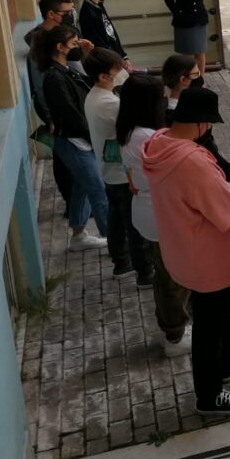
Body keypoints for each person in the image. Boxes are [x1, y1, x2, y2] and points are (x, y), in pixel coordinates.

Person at [142, 87, 230, 417]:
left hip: (182, 248)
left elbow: (216, 186)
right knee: (209, 325)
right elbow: (227, 211)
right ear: (202, 123)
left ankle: (225, 360)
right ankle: (210, 396)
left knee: (225, 309)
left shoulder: (161, 142)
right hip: (208, 259)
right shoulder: (191, 161)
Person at [116, 74, 191, 358]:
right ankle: (175, 335)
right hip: (163, 218)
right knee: (175, 279)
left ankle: (173, 328)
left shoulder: (128, 130)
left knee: (165, 275)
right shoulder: (150, 138)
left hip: (147, 214)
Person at [36, 25, 109, 251]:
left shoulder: (66, 70)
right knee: (98, 189)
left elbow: (91, 84)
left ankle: (78, 235)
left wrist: (88, 56)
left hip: (79, 139)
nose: (78, 46)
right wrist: (93, 136)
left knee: (81, 186)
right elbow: (70, 113)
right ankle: (118, 243)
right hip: (74, 140)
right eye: (75, 43)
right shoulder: (54, 77)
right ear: (60, 47)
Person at [83, 48, 153, 284]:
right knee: (135, 226)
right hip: (123, 174)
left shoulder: (94, 96)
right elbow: (132, 128)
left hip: (109, 170)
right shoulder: (109, 104)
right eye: (118, 71)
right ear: (104, 76)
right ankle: (144, 272)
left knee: (116, 218)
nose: (124, 73)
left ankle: (121, 262)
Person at [26, 0, 91, 213]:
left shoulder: (61, 35)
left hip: (72, 101)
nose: (71, 15)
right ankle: (70, 203)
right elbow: (40, 82)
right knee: (65, 158)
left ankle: (79, 205)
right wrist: (50, 117)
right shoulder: (41, 41)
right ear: (52, 14)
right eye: (67, 12)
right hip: (57, 109)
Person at [161, 53, 230, 180]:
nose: (199, 77)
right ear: (183, 80)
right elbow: (205, 145)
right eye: (196, 74)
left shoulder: (164, 99)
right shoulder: (187, 113)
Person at [78, 0, 129, 64]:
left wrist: (124, 56)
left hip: (114, 57)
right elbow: (98, 41)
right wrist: (115, 58)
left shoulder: (98, 6)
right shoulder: (88, 12)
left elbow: (111, 33)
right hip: (106, 60)